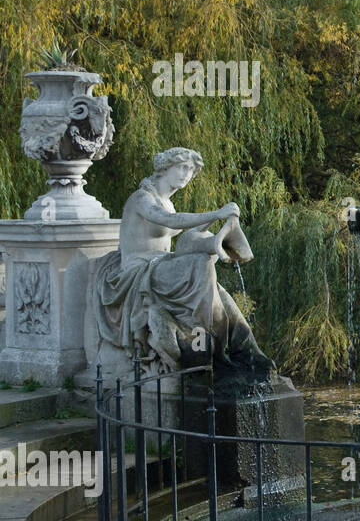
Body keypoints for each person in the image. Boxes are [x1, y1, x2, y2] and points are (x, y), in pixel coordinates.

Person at [91, 147, 271, 382]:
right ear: (165, 168)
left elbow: (183, 233)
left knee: (218, 289)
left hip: (160, 264)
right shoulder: (142, 198)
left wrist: (219, 231)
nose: (187, 174)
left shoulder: (168, 202)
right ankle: (203, 345)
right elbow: (170, 221)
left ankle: (240, 345)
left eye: (192, 170)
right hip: (137, 270)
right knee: (199, 265)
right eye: (183, 167)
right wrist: (216, 213)